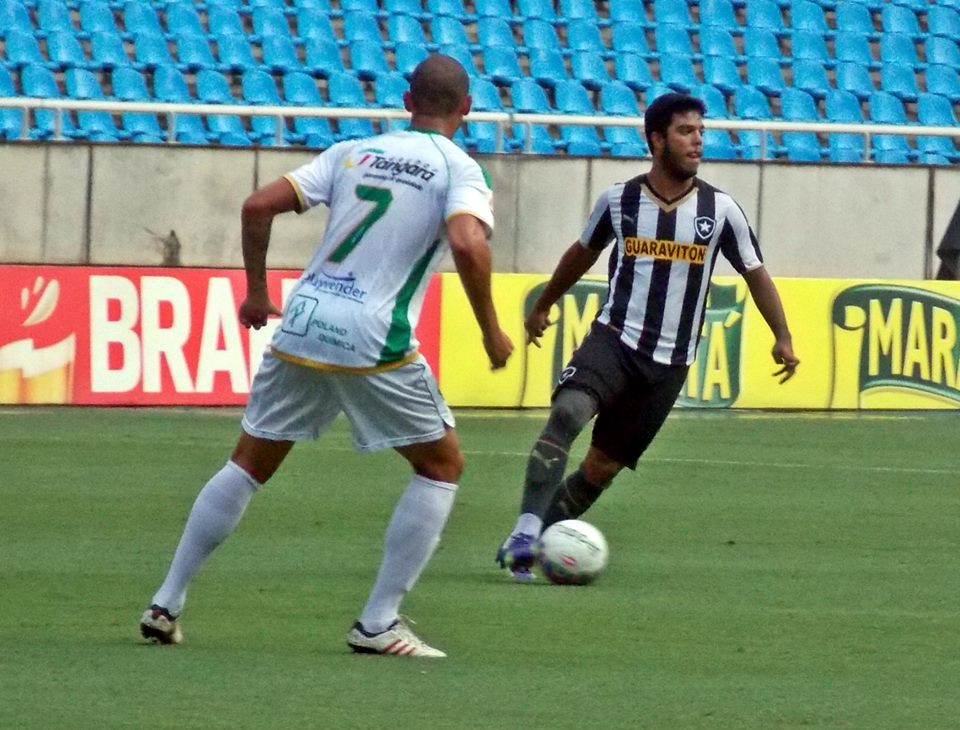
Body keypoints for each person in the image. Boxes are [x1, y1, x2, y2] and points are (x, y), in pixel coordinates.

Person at [140, 55, 513, 657]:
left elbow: (257, 204)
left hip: (305, 320)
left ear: (405, 99)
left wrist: (259, 291)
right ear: (467, 109)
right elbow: (469, 241)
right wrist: (492, 330)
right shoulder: (460, 168)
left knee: (248, 463)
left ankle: (166, 601)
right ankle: (377, 622)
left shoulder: (353, 152)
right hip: (373, 336)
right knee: (442, 465)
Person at [496, 92, 799, 581]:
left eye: (701, 131)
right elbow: (582, 252)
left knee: (601, 469)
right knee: (568, 411)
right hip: (615, 338)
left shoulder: (720, 210)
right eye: (685, 131)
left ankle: (536, 545)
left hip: (669, 363)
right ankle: (527, 529)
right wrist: (545, 302)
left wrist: (782, 336)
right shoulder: (619, 200)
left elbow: (755, 271)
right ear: (657, 140)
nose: (697, 140)